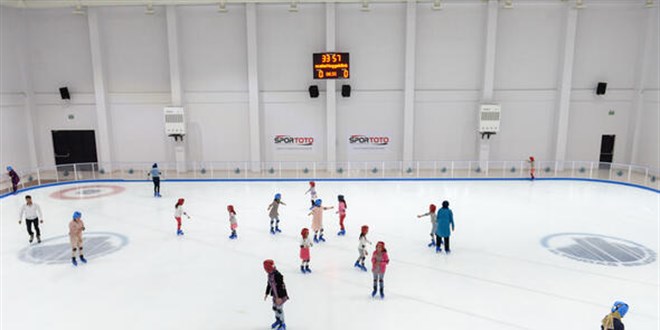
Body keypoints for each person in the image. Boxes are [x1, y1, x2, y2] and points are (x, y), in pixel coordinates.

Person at [263, 259, 289, 330]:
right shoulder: (269, 275)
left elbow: (282, 286)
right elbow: (269, 284)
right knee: (275, 308)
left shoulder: (277, 275)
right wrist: (266, 293)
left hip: (281, 296)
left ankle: (282, 324)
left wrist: (280, 298)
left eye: (266, 269)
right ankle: (278, 320)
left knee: (279, 309)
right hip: (275, 296)